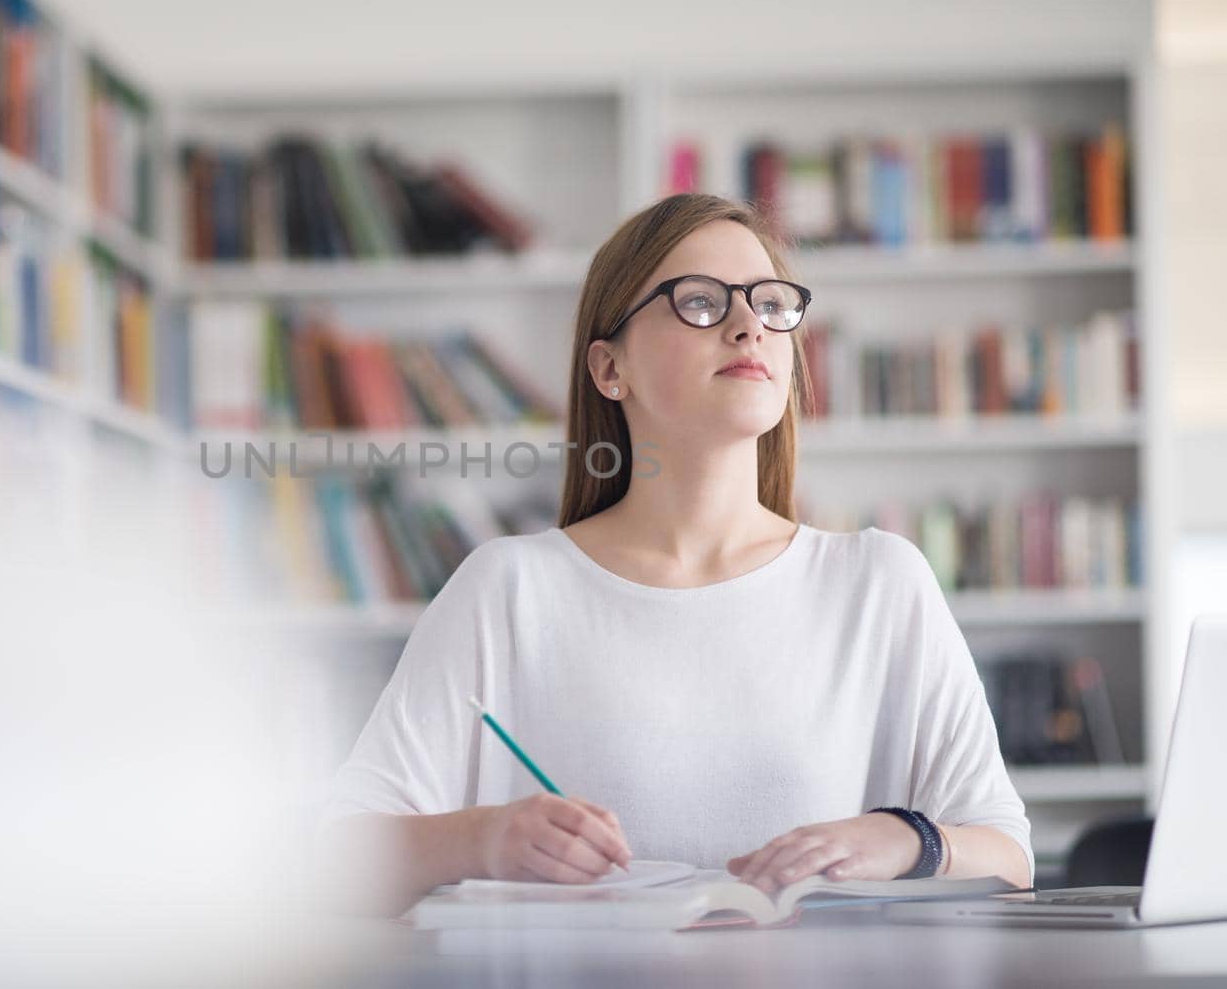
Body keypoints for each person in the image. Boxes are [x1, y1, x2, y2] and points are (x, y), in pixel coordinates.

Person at [313, 193, 1033, 917]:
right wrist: (482, 837)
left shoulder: (879, 581)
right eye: (699, 302)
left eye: (772, 303)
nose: (749, 324)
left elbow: (1009, 857)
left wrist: (908, 839)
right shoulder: (509, 588)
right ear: (608, 368)